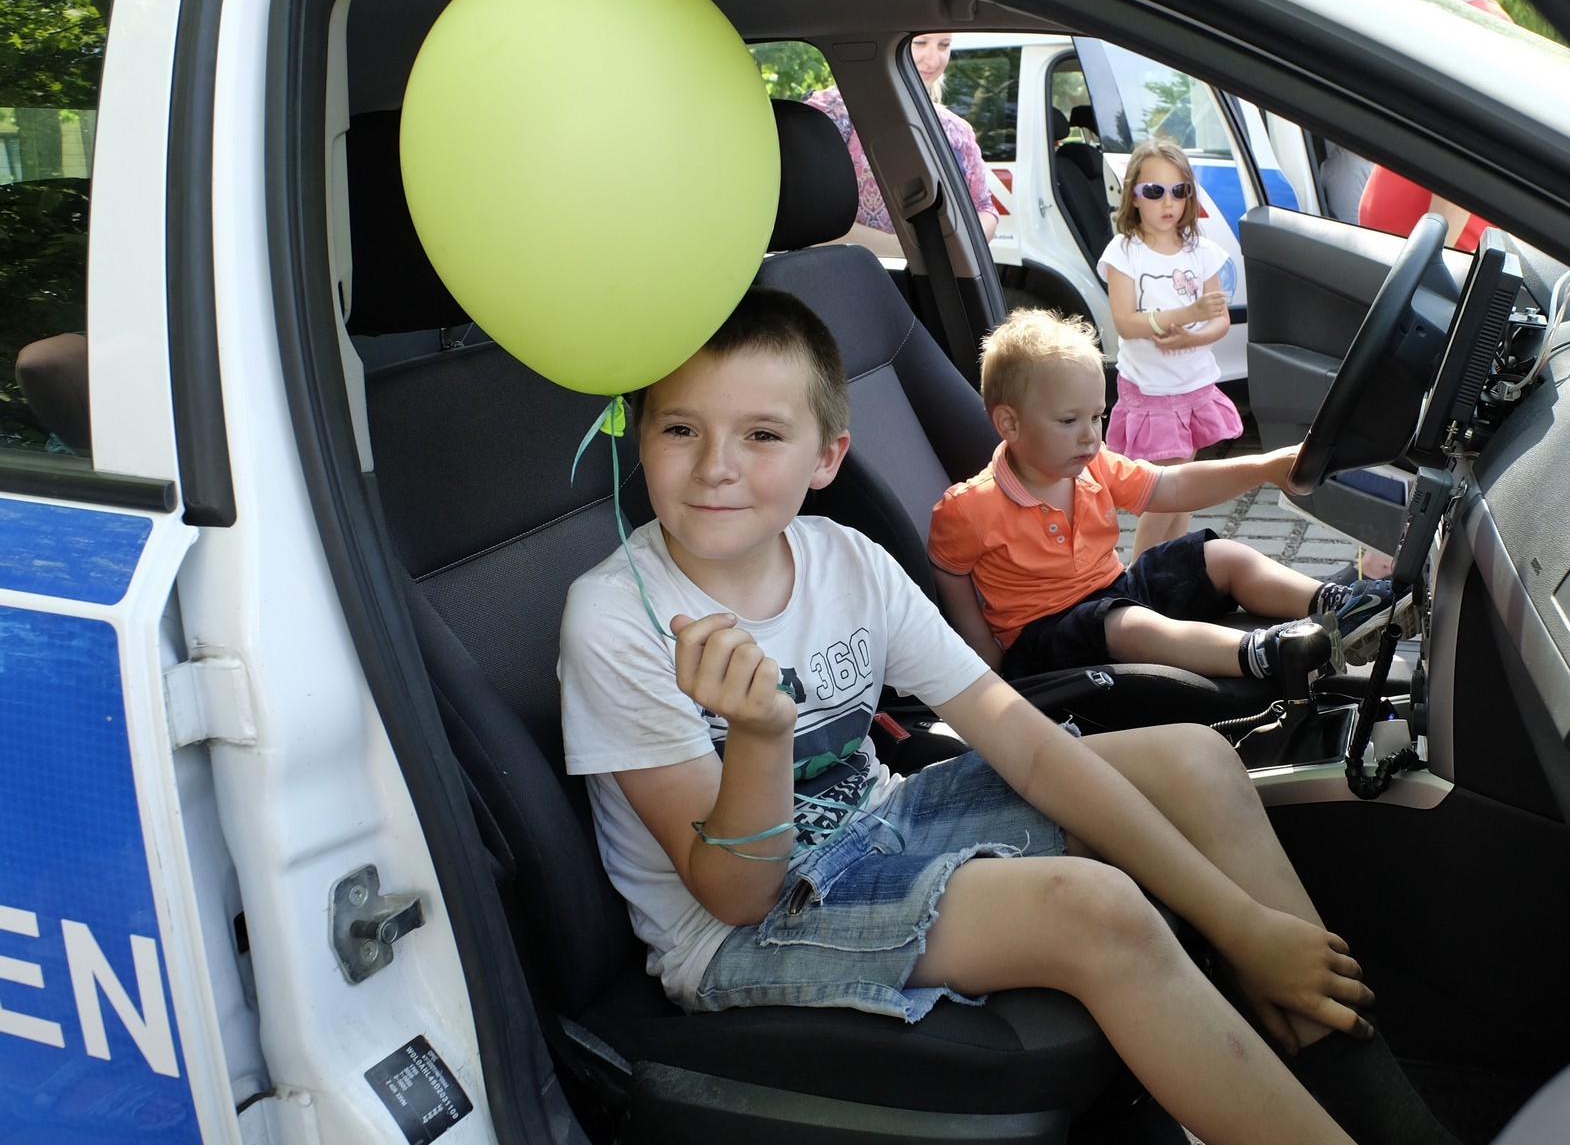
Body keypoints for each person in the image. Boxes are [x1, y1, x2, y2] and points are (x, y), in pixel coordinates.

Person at [559, 290, 1455, 1145]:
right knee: (1095, 911)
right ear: (640, 435)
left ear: (827, 457)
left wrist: (1241, 925)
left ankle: (1362, 1089)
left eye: (761, 434)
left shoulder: (848, 562)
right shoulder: (616, 618)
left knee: (1195, 759)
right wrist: (761, 738)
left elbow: (1019, 737)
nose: (715, 465)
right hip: (742, 929)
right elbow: (733, 896)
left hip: (880, 818)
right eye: (681, 429)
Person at [926, 308, 1418, 682]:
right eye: (1069, 421)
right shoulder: (969, 509)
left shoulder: (1093, 465)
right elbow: (951, 572)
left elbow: (1172, 485)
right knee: (1129, 627)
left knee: (1220, 555)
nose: (1090, 435)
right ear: (1009, 424)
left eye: (1097, 416)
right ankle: (1266, 654)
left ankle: (1344, 607)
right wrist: (987, 664)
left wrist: (1263, 468)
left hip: (1114, 591)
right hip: (1046, 639)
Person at [1098, 138, 1243, 560]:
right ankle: (1137, 576)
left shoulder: (1202, 251)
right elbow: (1126, 322)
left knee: (1184, 491)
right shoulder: (1125, 252)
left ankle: (1167, 570)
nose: (1168, 202)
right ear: (1133, 196)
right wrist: (1186, 314)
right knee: (1168, 490)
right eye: (1154, 191)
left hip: (1193, 386)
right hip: (1151, 389)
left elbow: (1219, 319)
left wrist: (1192, 336)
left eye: (1179, 191)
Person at [1358, 0, 1512, 253]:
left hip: (1434, 265)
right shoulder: (1469, 23)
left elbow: (1465, 169)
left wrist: (1426, 260)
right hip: (1414, 257)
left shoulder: (1478, 31)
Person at [805, 32, 997, 259]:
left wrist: (955, 246)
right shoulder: (833, 111)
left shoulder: (957, 129)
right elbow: (807, 215)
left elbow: (984, 208)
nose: (933, 60)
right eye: (920, 43)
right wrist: (909, 248)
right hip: (845, 269)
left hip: (935, 273)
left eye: (944, 45)